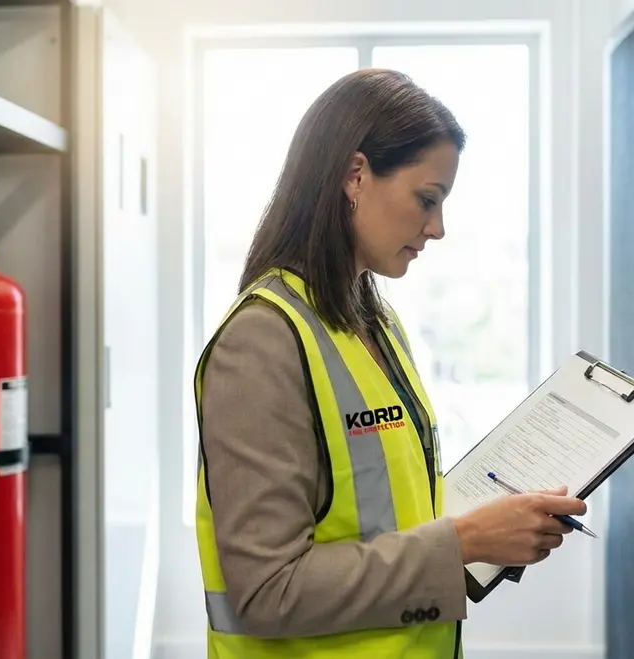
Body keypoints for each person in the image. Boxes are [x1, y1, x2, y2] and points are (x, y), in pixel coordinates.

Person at [193, 68, 589, 658]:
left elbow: (388, 513)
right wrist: (464, 540)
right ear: (356, 175)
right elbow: (268, 590)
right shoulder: (263, 341)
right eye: (426, 200)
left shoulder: (373, 320)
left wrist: (491, 532)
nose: (438, 228)